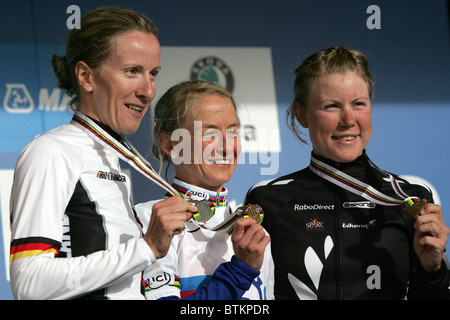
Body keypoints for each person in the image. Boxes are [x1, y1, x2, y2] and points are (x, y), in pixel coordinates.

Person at [9, 7, 197, 300]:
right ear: (86, 76)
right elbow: (30, 283)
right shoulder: (51, 151)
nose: (148, 90)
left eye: (153, 74)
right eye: (132, 71)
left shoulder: (112, 155)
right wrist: (145, 247)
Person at [245, 46, 450, 299]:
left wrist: (433, 270)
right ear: (301, 114)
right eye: (332, 106)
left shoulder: (408, 198)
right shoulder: (268, 200)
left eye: (359, 104)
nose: (348, 119)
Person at [135, 80, 274, 299]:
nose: (226, 147)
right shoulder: (150, 219)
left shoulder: (255, 233)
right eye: (210, 133)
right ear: (171, 144)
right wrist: (240, 272)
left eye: (233, 132)